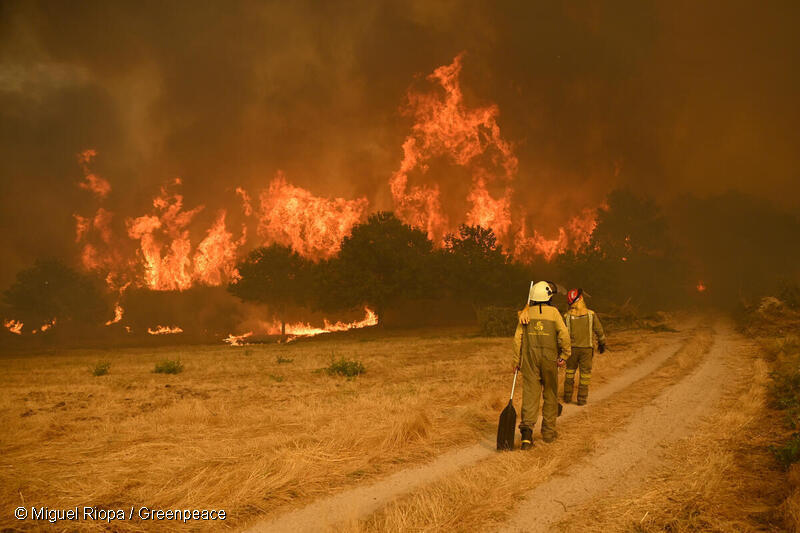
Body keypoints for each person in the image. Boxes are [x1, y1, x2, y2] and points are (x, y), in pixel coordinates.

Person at [513, 281, 571, 449]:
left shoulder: (525, 314)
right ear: (548, 296)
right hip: (549, 359)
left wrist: (516, 361)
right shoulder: (554, 313)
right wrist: (565, 355)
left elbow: (517, 339)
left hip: (529, 360)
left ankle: (526, 436)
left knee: (530, 395)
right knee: (550, 395)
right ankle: (548, 433)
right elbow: (564, 334)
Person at [562, 288, 607, 405]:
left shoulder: (566, 316)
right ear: (581, 298)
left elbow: (562, 334)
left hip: (571, 350)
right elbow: (599, 329)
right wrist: (602, 342)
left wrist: (561, 349)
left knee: (569, 373)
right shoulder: (591, 314)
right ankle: (582, 399)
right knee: (585, 375)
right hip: (586, 350)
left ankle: (567, 397)